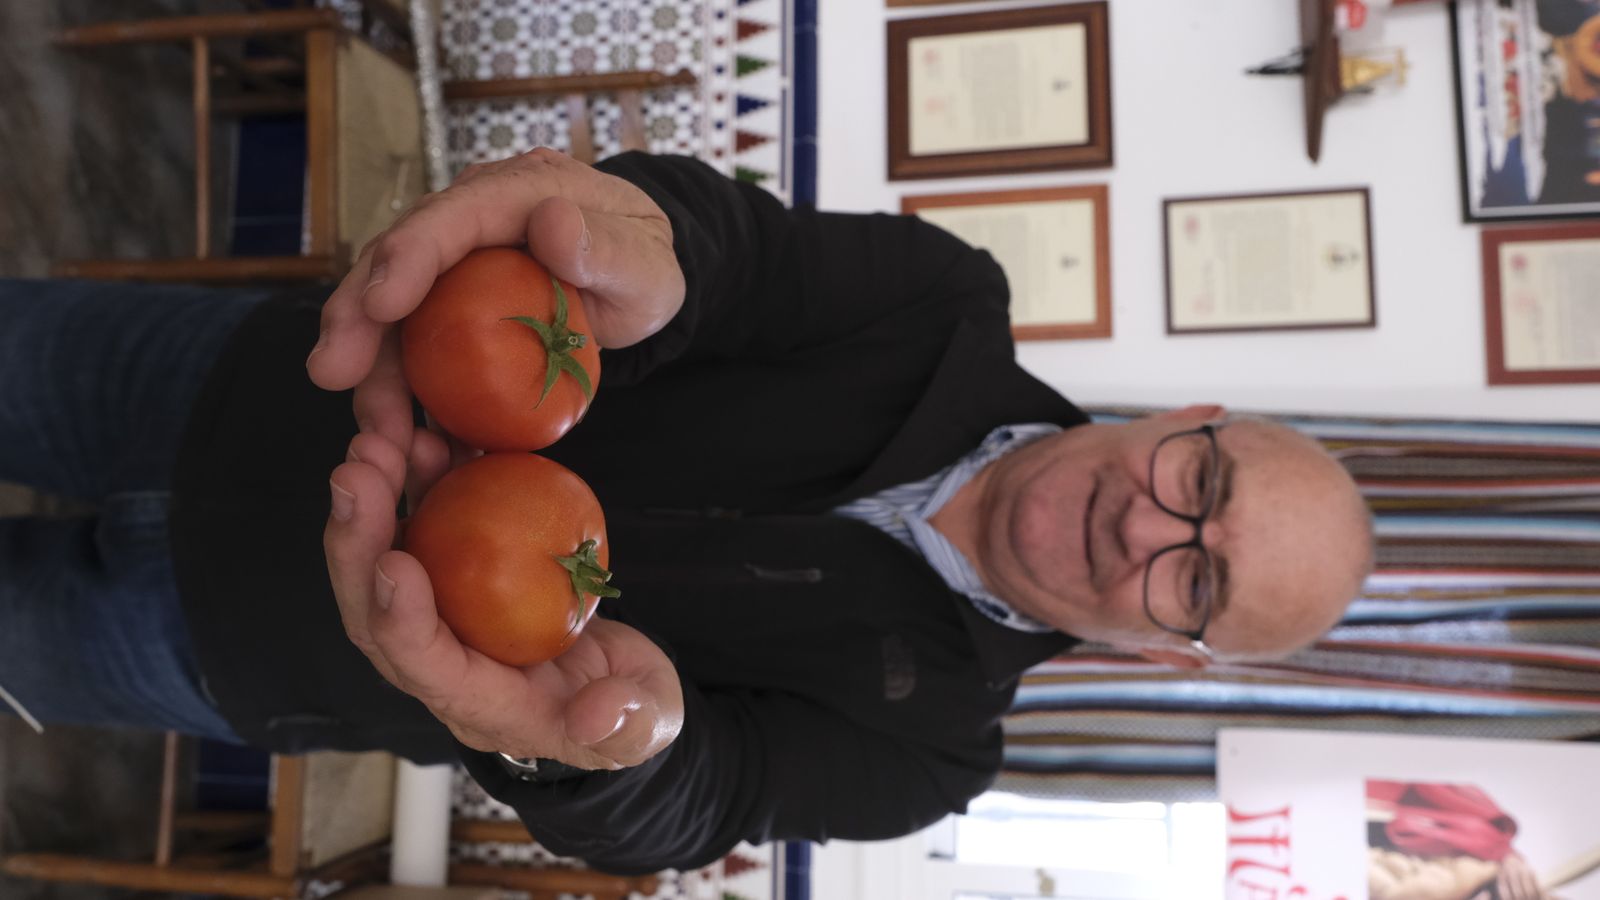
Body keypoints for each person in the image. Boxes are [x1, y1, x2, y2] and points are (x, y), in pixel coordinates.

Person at [0, 150, 1374, 875]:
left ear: (1169, 648)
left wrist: (605, 748)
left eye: (1197, 583)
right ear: (1191, 415)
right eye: (1202, 486)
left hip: (248, 643)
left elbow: (697, 799)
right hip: (245, 384)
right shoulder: (941, 302)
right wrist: (634, 248)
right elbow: (724, 257)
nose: (1147, 532)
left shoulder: (932, 751)